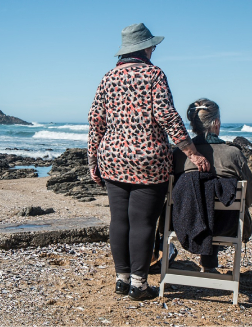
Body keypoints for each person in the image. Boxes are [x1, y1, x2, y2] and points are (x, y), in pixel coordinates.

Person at [87, 23, 210, 301]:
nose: (153, 49)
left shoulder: (108, 78)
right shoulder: (154, 74)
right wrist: (191, 152)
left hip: (113, 157)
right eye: (151, 45)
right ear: (143, 48)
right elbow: (167, 115)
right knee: (142, 222)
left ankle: (121, 280)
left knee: (119, 220)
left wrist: (92, 160)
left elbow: (96, 121)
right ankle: (139, 285)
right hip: (148, 159)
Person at [173, 98, 252, 272]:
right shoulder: (233, 154)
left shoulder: (179, 154)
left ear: (193, 124)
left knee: (200, 200)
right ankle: (209, 265)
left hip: (182, 223)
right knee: (217, 206)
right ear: (216, 122)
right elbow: (250, 193)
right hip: (226, 226)